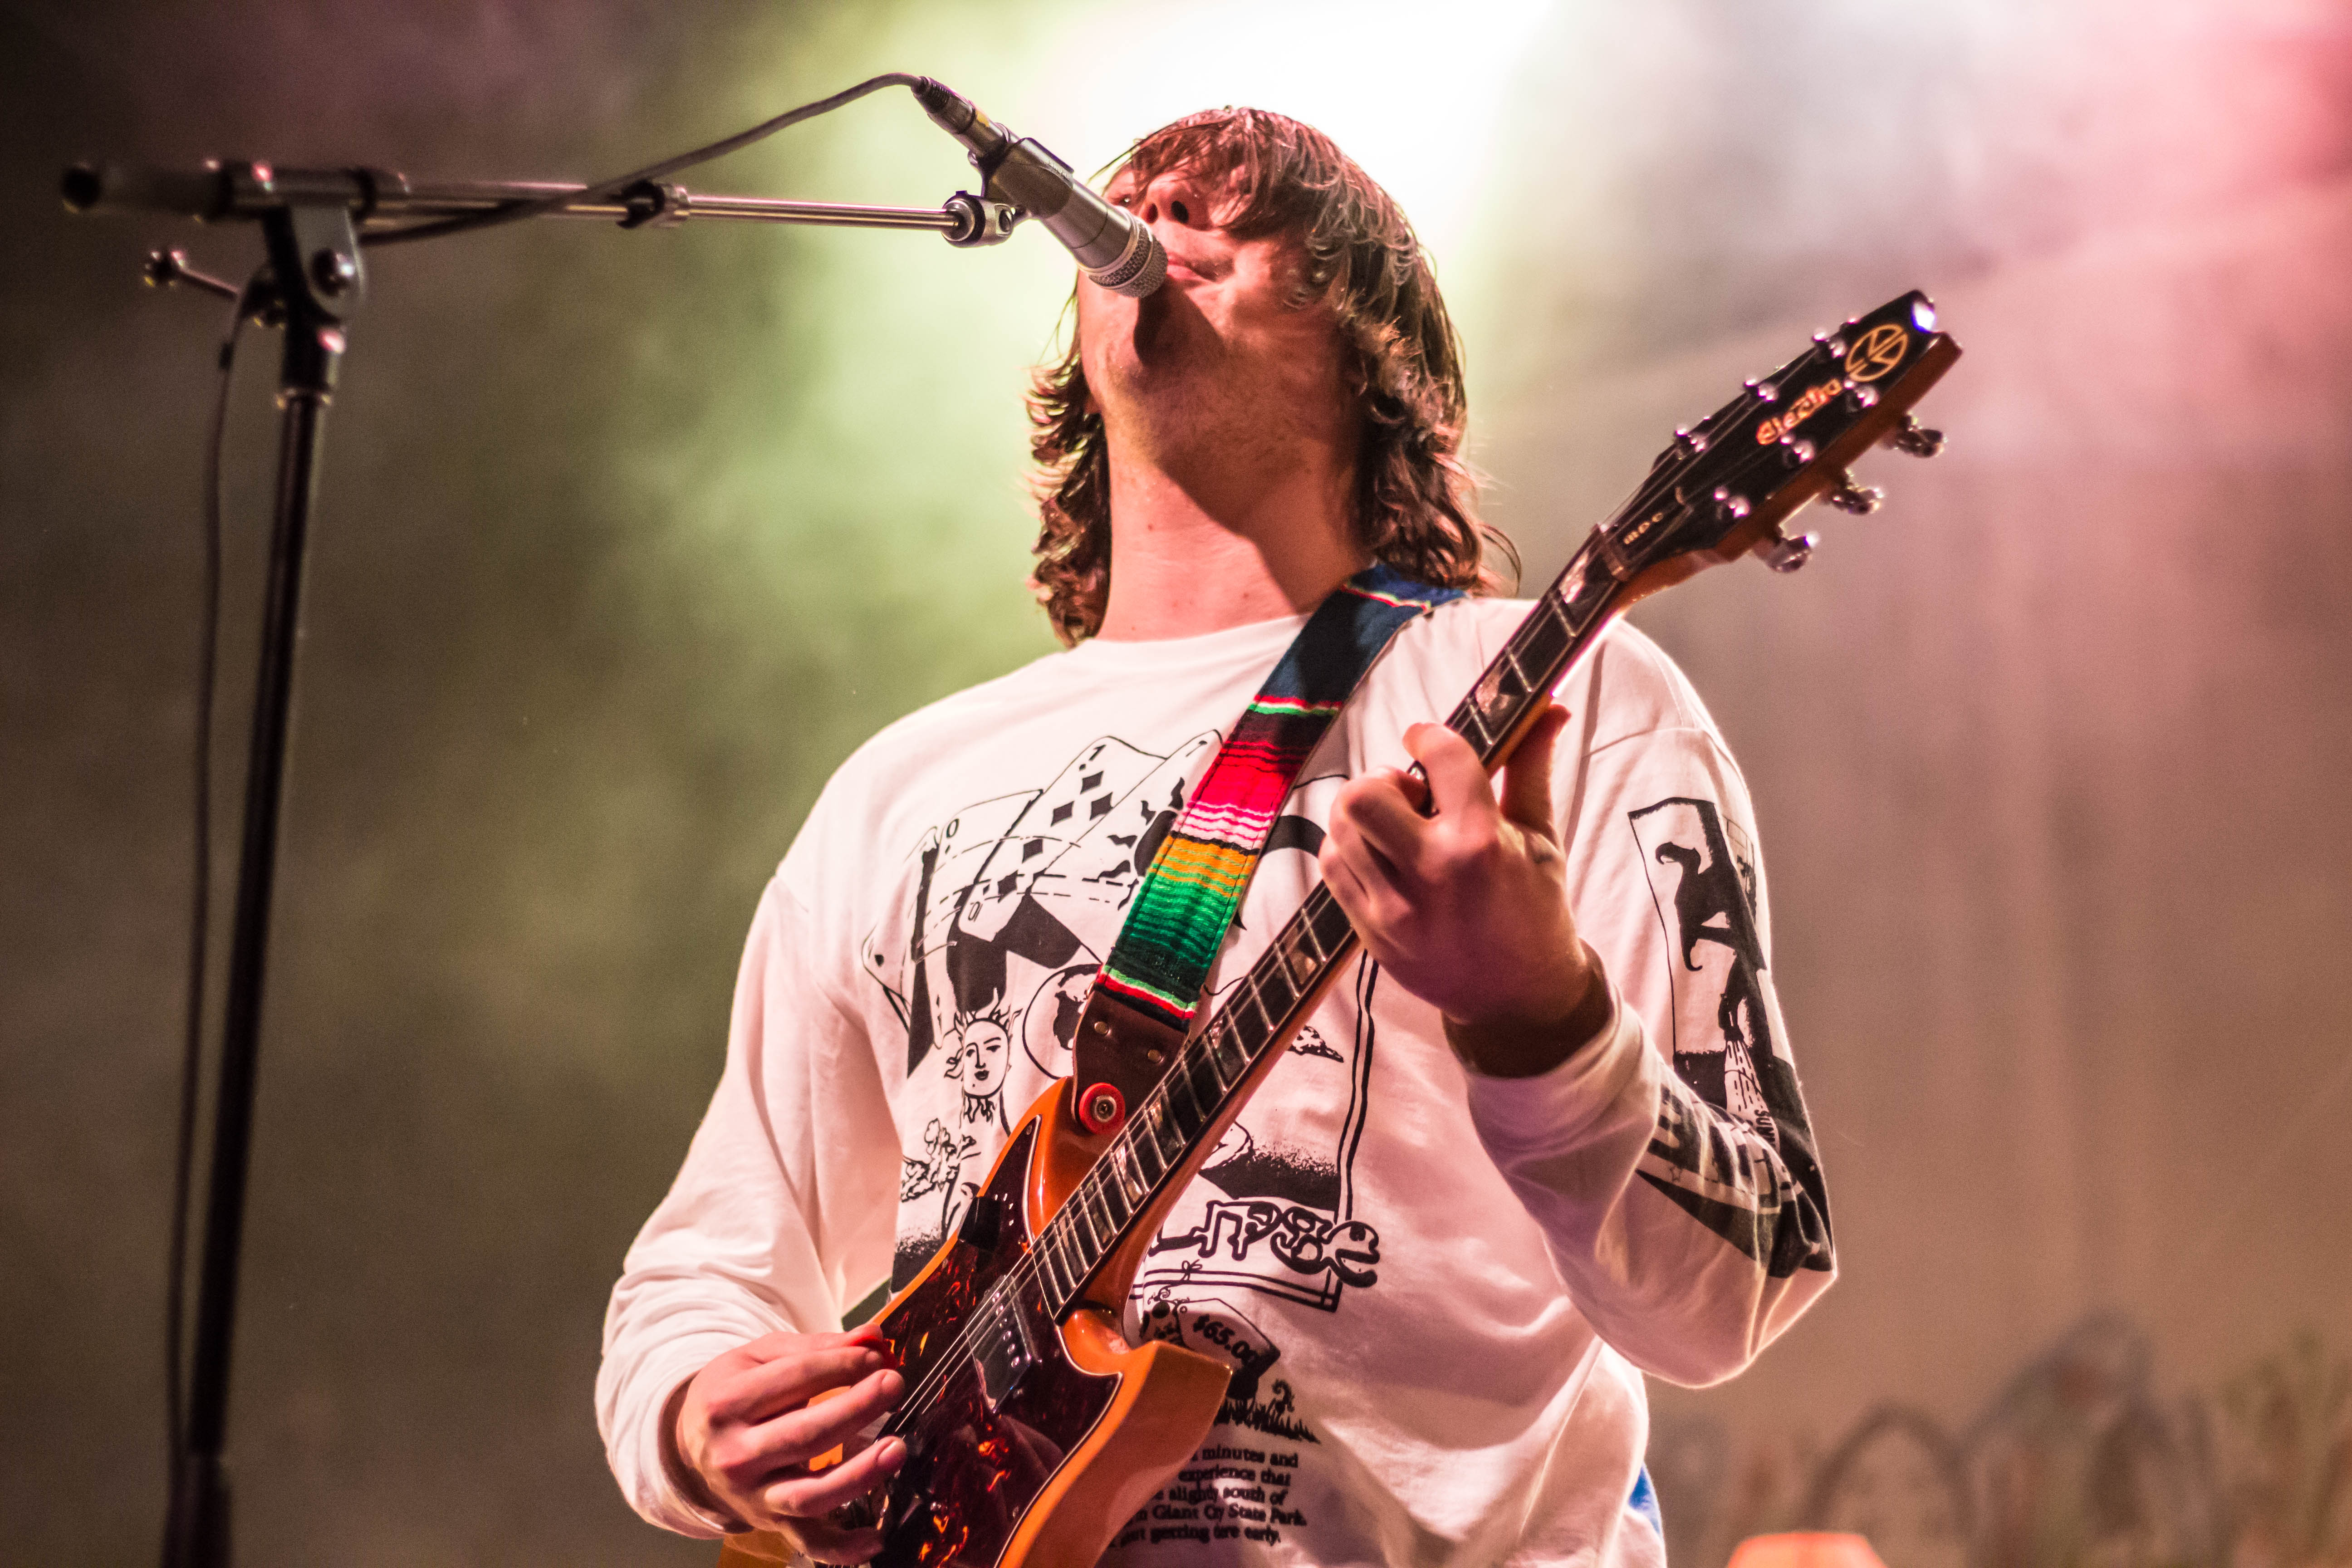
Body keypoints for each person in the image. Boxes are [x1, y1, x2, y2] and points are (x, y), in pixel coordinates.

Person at [597, 108, 1836, 1566]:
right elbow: (711, 1262)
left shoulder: (1546, 700)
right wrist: (693, 1423)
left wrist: (1537, 1014)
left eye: (1237, 207)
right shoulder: (900, 789)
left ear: (1373, 340)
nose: (1161, 209)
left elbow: (1739, 1282)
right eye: (1141, 194)